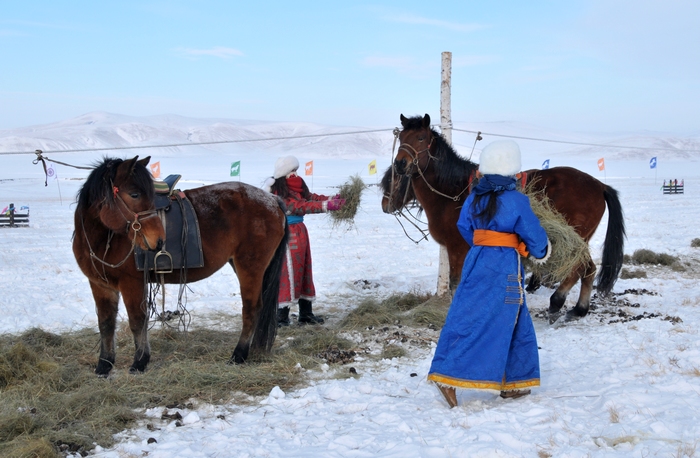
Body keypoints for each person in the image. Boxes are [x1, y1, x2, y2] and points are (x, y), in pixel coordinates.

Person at [427, 140, 551, 408]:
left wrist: (483, 243)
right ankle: (457, 378)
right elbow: (535, 237)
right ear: (513, 171)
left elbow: (464, 226)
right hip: (505, 267)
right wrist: (540, 251)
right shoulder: (517, 200)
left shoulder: (474, 198)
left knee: (468, 316)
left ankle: (509, 381)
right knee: (509, 317)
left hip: (477, 262)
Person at [263, 156, 345, 326]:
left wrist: (331, 199)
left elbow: (310, 197)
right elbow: (298, 206)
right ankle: (281, 316)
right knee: (288, 272)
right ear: (283, 174)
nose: (295, 174)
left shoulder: (298, 186)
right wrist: (326, 207)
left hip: (300, 232)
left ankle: (306, 313)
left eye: (296, 170)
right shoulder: (278, 192)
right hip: (287, 234)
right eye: (291, 171)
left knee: (305, 269)